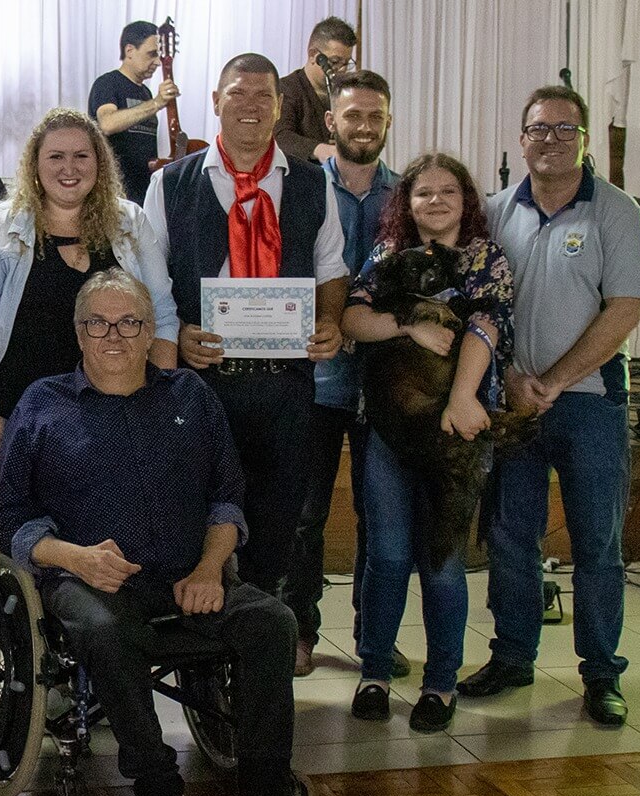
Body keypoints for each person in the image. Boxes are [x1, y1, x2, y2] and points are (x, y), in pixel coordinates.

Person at [0, 269, 308, 796]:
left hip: (188, 577)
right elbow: (8, 519)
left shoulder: (190, 395)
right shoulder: (42, 403)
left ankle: (263, 786)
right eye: (99, 324)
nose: (114, 336)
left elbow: (226, 498)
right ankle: (161, 795)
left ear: (150, 330)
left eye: (129, 323)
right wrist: (74, 557)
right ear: (79, 332)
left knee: (273, 622)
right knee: (107, 629)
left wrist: (211, 567)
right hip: (90, 581)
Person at [459, 86, 640, 726]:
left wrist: (556, 380)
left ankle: (601, 672)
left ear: (584, 139)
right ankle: (513, 656)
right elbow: (478, 306)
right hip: (511, 402)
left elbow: (623, 310)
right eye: (539, 129)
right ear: (522, 139)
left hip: (591, 402)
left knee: (597, 543)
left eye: (566, 129)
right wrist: (513, 376)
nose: (552, 140)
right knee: (511, 535)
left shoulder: (617, 212)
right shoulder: (493, 211)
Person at [144, 53, 348, 600]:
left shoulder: (313, 183)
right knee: (193, 525)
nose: (250, 106)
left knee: (276, 530)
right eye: (238, 93)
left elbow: (331, 269)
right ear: (216, 101)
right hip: (200, 385)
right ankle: (199, 641)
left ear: (280, 107)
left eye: (264, 96)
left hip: (286, 390)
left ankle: (261, 634)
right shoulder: (169, 184)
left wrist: (330, 320)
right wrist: (176, 335)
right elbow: (147, 282)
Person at [343, 153, 515, 732]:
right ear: (406, 202)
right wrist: (409, 325)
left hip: (456, 430)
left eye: (448, 192)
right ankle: (373, 673)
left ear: (466, 201)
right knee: (388, 556)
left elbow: (486, 325)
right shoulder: (387, 255)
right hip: (389, 430)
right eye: (423, 193)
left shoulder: (484, 258)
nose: (435, 201)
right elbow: (353, 320)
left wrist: (463, 396)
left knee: (442, 563)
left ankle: (440, 683)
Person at [0, 107, 179, 462]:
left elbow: (162, 317)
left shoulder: (131, 222)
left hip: (118, 414)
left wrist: (158, 403)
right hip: (17, 418)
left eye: (81, 156)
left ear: (99, 163)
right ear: (35, 165)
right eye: (56, 156)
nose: (69, 168)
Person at [284, 70, 400, 677]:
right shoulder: (299, 189)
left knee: (380, 518)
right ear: (331, 122)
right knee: (304, 516)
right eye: (353, 115)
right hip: (315, 379)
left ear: (388, 123)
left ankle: (373, 636)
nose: (364, 126)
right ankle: (299, 631)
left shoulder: (407, 196)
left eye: (375, 116)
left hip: (387, 383)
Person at [88, 20, 180, 205]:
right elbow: (107, 124)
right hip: (113, 195)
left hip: (143, 195)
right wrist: (156, 103)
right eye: (151, 54)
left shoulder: (145, 93)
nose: (157, 62)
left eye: (159, 55)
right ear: (129, 50)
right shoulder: (108, 83)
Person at [274, 17, 357, 164]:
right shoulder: (286, 88)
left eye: (346, 63)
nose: (341, 70)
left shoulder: (344, 94)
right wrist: (319, 149)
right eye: (334, 62)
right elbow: (280, 136)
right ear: (313, 55)